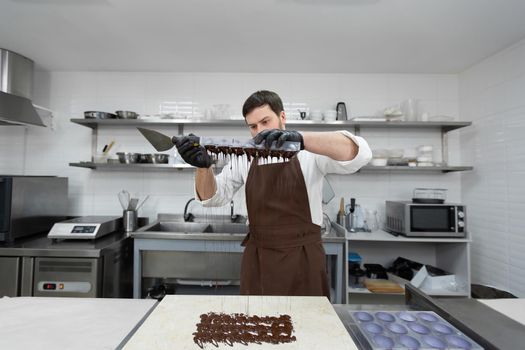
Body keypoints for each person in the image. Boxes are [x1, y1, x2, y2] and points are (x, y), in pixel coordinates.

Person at [175, 90, 372, 298]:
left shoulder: (310, 153)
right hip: (259, 257)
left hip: (302, 258)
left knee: (307, 324)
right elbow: (212, 198)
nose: (259, 132)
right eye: (253, 126)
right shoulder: (244, 158)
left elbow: (361, 154)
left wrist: (302, 140)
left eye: (265, 122)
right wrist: (202, 167)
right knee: (256, 327)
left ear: (282, 117)